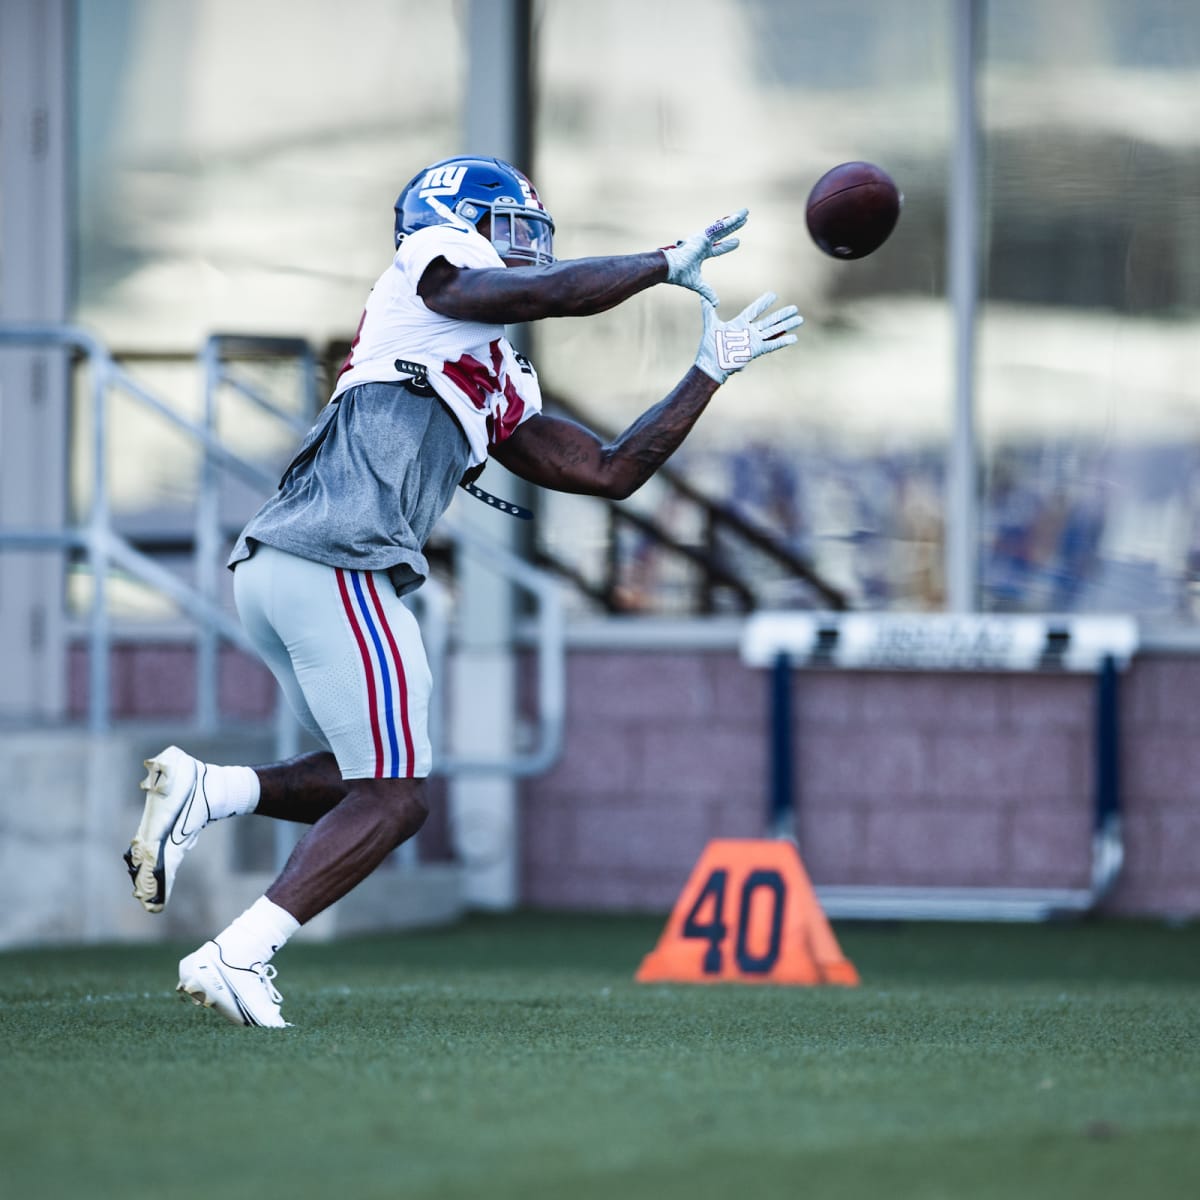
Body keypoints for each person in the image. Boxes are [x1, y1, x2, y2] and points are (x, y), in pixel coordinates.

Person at [123, 155, 802, 1027]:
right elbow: (533, 294)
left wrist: (710, 368)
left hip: (293, 567)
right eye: (511, 226)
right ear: (454, 219)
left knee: (359, 772)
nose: (527, 248)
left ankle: (208, 791)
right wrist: (663, 262)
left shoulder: (498, 375)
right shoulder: (426, 274)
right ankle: (238, 954)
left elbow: (606, 472)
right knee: (397, 795)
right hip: (338, 558)